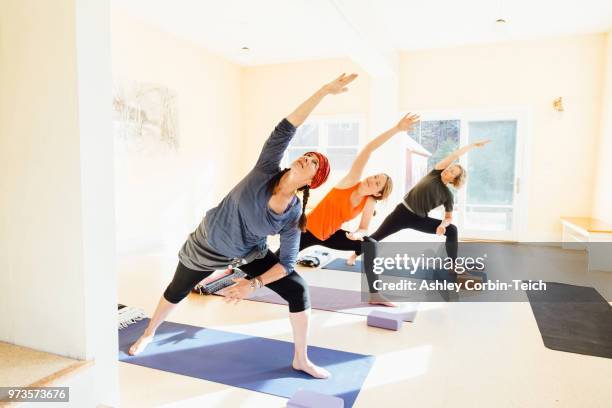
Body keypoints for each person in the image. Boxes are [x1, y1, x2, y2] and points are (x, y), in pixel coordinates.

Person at [128, 73, 358, 380]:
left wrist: (253, 284)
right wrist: (324, 91)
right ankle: (149, 333)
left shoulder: (293, 214)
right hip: (205, 246)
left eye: (314, 162)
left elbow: (288, 262)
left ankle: (301, 358)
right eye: (307, 155)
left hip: (247, 253)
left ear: (313, 180)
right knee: (176, 289)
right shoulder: (265, 170)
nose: (307, 158)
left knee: (298, 289)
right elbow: (286, 127)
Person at [294, 113, 420, 305]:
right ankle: (246, 277)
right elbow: (369, 149)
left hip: (330, 234)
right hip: (306, 230)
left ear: (378, 193)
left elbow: (363, 228)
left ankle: (375, 294)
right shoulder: (352, 180)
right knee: (277, 262)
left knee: (370, 244)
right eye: (375, 176)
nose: (372, 179)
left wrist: (357, 234)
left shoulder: (369, 202)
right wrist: (397, 129)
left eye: (377, 182)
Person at [346, 139, 491, 269]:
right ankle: (354, 254)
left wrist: (443, 225)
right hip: (402, 212)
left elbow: (448, 218)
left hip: (419, 219)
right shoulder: (435, 173)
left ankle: (453, 264)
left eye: (452, 171)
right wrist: (471, 146)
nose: (448, 169)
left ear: (454, 179)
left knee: (452, 229)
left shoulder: (448, 195)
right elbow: (453, 155)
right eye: (450, 167)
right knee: (377, 236)